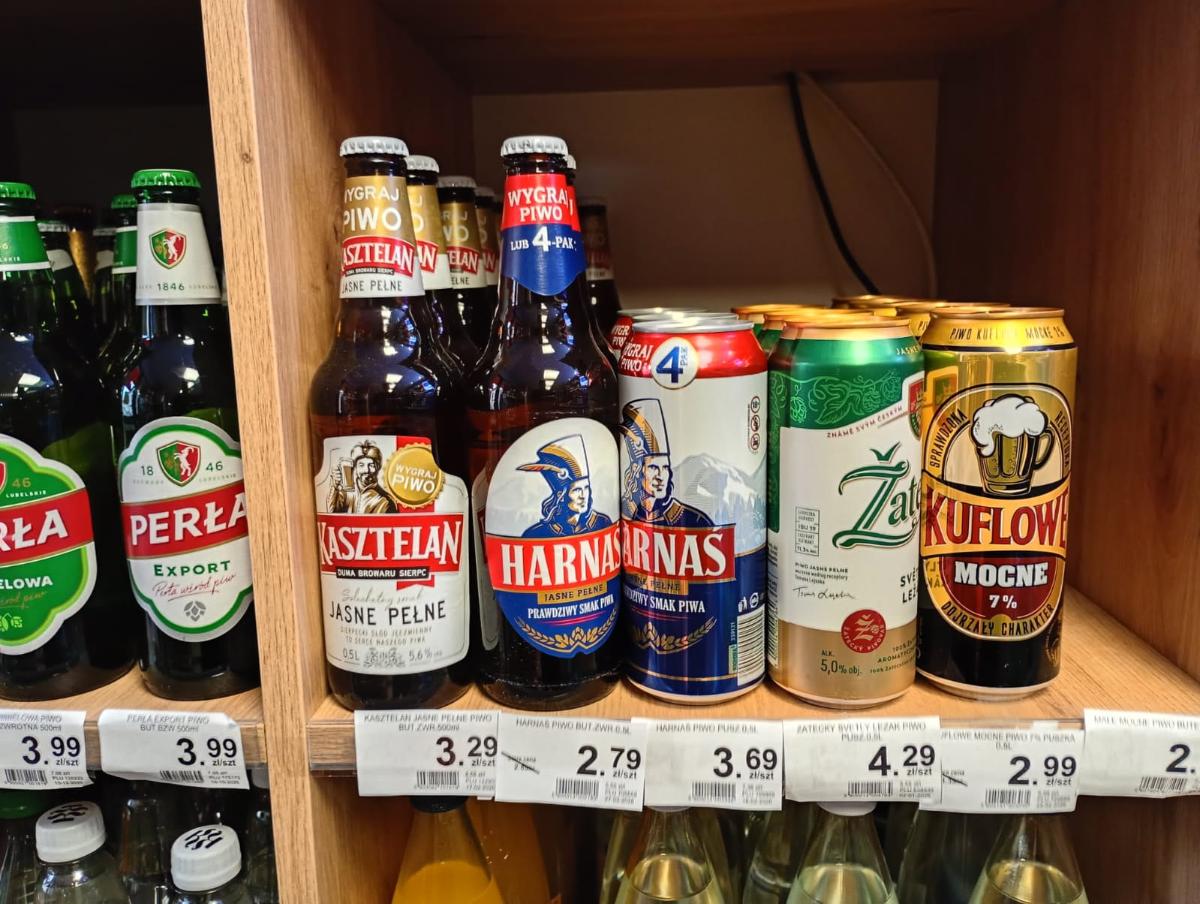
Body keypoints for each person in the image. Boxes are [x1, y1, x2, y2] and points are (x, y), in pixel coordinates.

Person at [619, 398, 713, 527]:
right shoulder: (628, 511)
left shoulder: (696, 520)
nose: (660, 476)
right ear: (637, 470)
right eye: (653, 467)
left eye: (665, 468)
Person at [517, 435, 612, 537]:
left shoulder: (602, 522)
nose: (583, 496)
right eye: (577, 490)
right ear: (561, 496)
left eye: (586, 488)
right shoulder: (536, 534)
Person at [327, 441, 395, 514]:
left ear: (377, 468)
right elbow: (331, 512)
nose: (366, 470)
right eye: (361, 465)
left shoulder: (384, 501)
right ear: (355, 468)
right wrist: (334, 487)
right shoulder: (346, 494)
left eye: (371, 465)